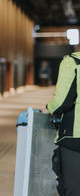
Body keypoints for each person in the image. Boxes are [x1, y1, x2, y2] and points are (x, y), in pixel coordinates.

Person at [45, 52, 80, 195]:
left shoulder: (73, 62)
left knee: (73, 189)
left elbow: (62, 101)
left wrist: (49, 108)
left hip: (75, 137)